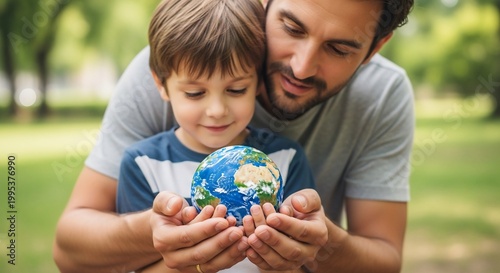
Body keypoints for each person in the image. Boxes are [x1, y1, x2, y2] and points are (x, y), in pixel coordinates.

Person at [53, 0, 415, 272]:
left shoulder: (383, 95)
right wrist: (158, 233)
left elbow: (384, 261)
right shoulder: (178, 57)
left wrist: (318, 243)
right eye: (291, 27)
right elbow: (69, 249)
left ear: (376, 47)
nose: (301, 67)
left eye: (339, 48)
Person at [115, 0, 315, 271]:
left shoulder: (286, 160)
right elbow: (135, 265)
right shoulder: (142, 164)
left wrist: (278, 260)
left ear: (258, 82)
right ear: (161, 84)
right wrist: (196, 263)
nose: (217, 111)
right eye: (195, 93)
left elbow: (301, 260)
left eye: (236, 90)